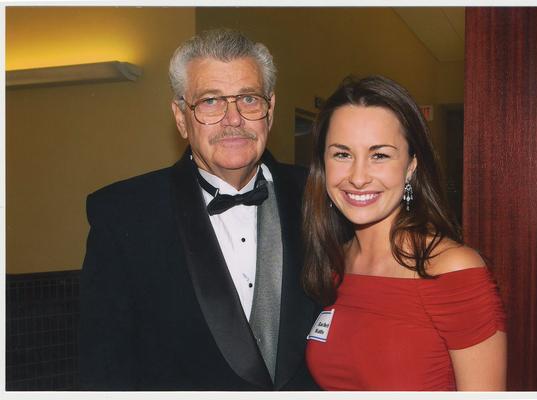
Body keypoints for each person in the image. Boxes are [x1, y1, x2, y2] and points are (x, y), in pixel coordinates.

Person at [79, 29, 318, 390]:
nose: (233, 119)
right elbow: (104, 370)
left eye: (248, 99)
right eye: (210, 102)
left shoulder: (321, 196)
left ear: (270, 110)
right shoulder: (122, 215)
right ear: (180, 116)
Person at [302, 75, 507, 391]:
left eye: (379, 155)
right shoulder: (333, 263)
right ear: (323, 163)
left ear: (411, 165)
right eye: (342, 154)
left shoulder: (453, 270)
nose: (357, 177)